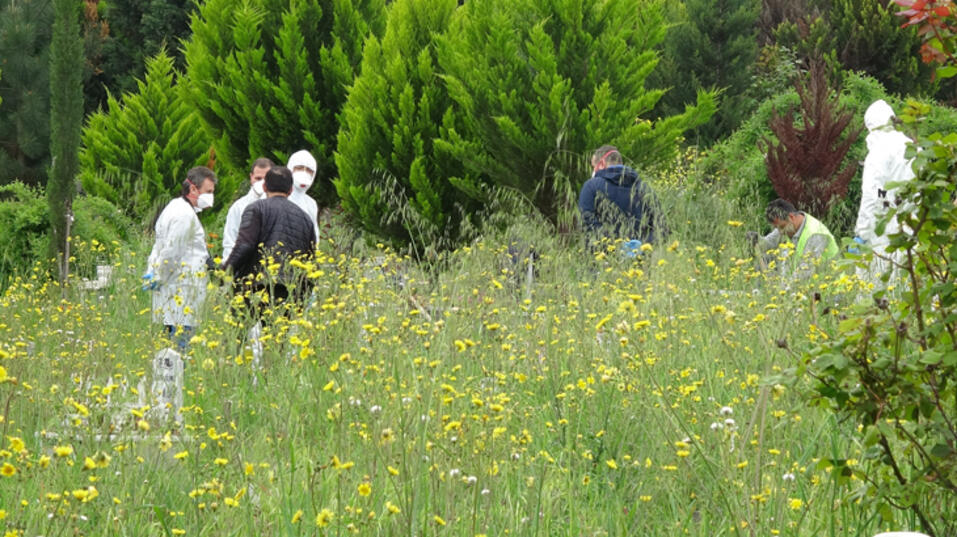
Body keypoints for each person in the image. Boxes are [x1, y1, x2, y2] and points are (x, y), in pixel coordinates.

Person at [221, 165, 317, 310]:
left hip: (255, 284)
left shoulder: (256, 208)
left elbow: (245, 245)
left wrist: (225, 272)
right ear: (291, 190)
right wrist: (304, 294)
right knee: (276, 330)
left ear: (264, 186)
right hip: (289, 288)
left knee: (239, 328)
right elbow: (310, 258)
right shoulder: (305, 218)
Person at [145, 166, 217, 349]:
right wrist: (158, 275)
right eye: (208, 191)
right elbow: (171, 251)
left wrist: (153, 271)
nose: (211, 196)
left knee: (171, 347)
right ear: (193, 189)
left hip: (176, 291)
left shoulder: (175, 207)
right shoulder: (184, 215)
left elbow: (160, 246)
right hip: (181, 293)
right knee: (179, 350)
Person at [855, 99, 915, 285]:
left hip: (885, 234)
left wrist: (862, 234)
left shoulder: (878, 153)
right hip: (915, 228)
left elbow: (872, 198)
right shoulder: (913, 147)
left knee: (880, 291)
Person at [578, 145, 665, 248]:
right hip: (640, 259)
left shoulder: (591, 186)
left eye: (593, 166)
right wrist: (641, 246)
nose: (593, 170)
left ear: (601, 164)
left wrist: (614, 245)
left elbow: (586, 221)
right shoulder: (644, 188)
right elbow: (661, 227)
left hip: (602, 257)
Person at [747, 198, 839, 279]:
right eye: (776, 228)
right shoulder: (786, 226)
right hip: (803, 289)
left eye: (781, 227)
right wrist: (757, 239)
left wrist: (784, 292)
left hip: (831, 290)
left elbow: (805, 271)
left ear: (791, 217)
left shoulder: (816, 234)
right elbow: (768, 244)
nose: (780, 232)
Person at [222, 157, 274, 261]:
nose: (262, 183)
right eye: (258, 179)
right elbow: (230, 241)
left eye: (266, 179)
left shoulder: (280, 206)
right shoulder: (238, 207)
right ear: (251, 177)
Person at [286, 150, 320, 241]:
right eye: (299, 168)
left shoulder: (311, 203)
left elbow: (315, 234)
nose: (304, 173)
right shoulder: (278, 197)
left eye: (309, 170)